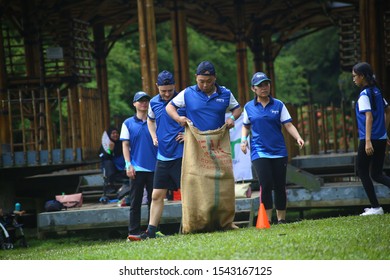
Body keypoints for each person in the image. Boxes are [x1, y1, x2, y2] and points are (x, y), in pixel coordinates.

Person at [127, 70, 185, 241]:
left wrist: (189, 135)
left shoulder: (182, 100)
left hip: (181, 154)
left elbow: (196, 121)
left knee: (187, 193)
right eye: (163, 91)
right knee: (156, 195)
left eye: (169, 90)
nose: (167, 94)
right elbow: (151, 121)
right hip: (162, 157)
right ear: (157, 87)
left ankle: (191, 225)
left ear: (174, 85)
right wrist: (153, 136)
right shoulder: (153, 102)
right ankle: (151, 231)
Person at [240, 72, 304, 224]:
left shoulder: (279, 105)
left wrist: (298, 137)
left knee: (280, 185)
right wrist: (243, 141)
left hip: (278, 151)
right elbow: (245, 126)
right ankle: (267, 219)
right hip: (259, 151)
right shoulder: (249, 107)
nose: (264, 87)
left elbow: (288, 124)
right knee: (266, 183)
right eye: (260, 85)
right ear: (253, 89)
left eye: (266, 84)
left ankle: (281, 219)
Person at [352, 62, 390, 216]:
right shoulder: (377, 91)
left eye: (355, 76)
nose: (353, 79)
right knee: (376, 173)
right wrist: (384, 132)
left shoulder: (364, 95)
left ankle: (375, 207)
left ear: (362, 76)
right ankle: (375, 207)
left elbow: (368, 117)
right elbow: (388, 111)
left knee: (361, 170)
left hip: (370, 139)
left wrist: (367, 140)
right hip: (380, 138)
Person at [120, 91, 157, 237]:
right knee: (135, 202)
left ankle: (152, 231)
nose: (144, 103)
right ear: (134, 104)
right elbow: (125, 145)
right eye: (140, 101)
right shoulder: (127, 123)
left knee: (154, 201)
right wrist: (128, 164)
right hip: (137, 168)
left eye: (146, 100)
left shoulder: (155, 121)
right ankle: (133, 232)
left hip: (155, 167)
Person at [166, 61, 241, 130]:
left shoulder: (225, 93)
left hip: (218, 139)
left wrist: (232, 118)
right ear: (196, 77)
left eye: (209, 81)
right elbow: (169, 106)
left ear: (215, 77)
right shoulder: (188, 92)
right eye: (201, 81)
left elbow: (237, 109)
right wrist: (178, 118)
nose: (205, 85)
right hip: (194, 140)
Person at [98, 127, 126, 195]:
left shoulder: (121, 143)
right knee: (108, 164)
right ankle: (109, 186)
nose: (115, 135)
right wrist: (110, 150)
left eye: (116, 133)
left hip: (121, 166)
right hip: (110, 167)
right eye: (113, 133)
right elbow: (104, 157)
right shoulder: (105, 144)